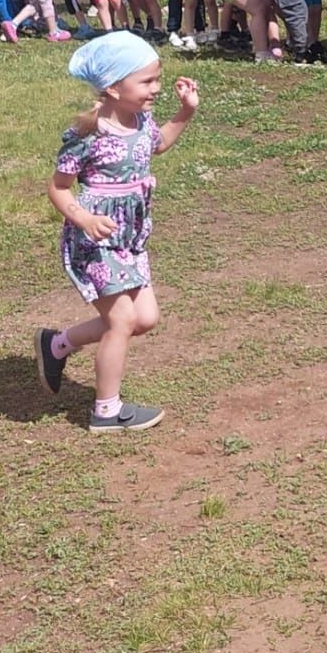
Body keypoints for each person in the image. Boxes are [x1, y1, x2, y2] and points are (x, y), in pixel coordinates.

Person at [35, 32, 199, 432]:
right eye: (146, 81)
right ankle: (106, 411)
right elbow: (58, 187)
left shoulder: (140, 121)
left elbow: (156, 145)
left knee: (144, 318)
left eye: (157, 79)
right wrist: (84, 219)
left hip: (130, 236)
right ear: (112, 87)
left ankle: (57, 344)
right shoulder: (87, 135)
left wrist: (185, 113)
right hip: (95, 240)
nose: (157, 88)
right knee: (122, 320)